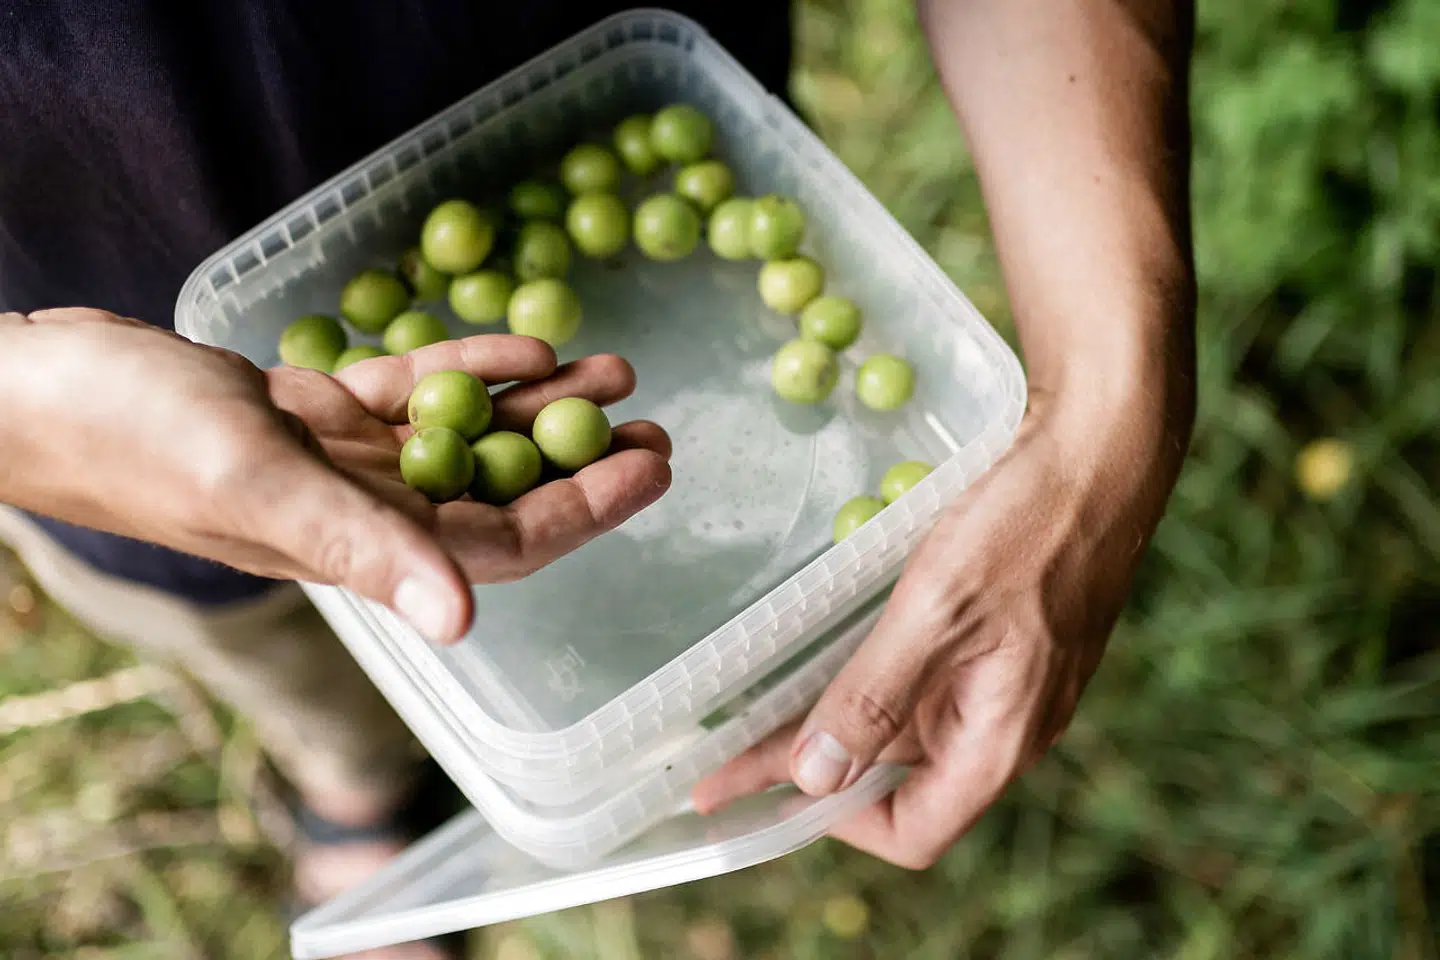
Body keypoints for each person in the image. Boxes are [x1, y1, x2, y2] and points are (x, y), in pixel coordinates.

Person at [0, 0, 1195, 956]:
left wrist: (1113, 396)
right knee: (277, 643)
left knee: (644, 563)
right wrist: (29, 413)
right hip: (117, 424)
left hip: (622, 168)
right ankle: (354, 786)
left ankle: (371, 778)